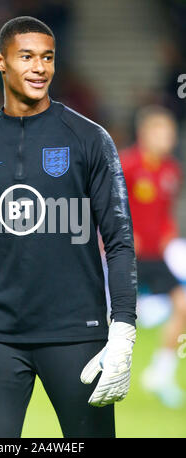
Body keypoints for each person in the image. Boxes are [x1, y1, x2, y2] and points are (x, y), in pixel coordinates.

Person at [0, 16, 137, 438]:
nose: (39, 68)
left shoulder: (89, 139)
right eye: (27, 56)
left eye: (47, 57)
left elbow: (119, 241)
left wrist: (122, 329)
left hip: (77, 336)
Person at [120, 105, 185, 408]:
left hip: (156, 258)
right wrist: (123, 232)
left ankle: (161, 373)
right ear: (145, 133)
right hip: (126, 254)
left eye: (170, 132)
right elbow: (108, 203)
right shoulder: (128, 165)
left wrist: (169, 229)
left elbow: (164, 212)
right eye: (161, 131)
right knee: (112, 318)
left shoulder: (172, 170)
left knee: (183, 306)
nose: (168, 137)